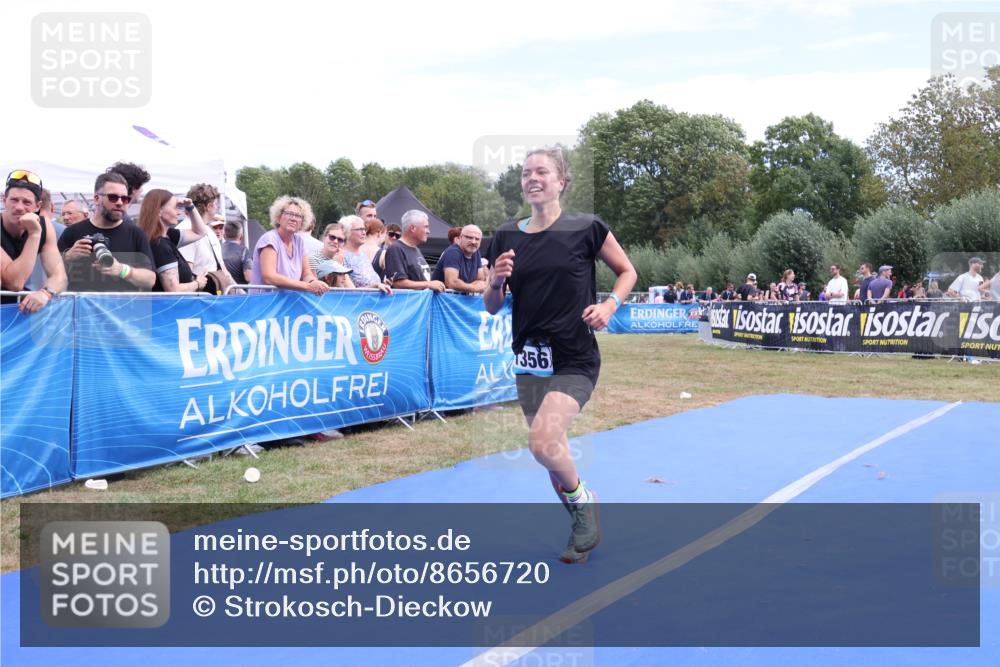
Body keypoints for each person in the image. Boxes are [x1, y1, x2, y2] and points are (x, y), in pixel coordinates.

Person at [484, 146, 636, 564]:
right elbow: (491, 305)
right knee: (553, 455)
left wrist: (609, 306)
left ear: (561, 182)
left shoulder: (586, 228)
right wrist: (496, 282)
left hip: (575, 356)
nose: (533, 178)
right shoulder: (505, 236)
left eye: (542, 172)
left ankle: (585, 502)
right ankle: (580, 525)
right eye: (526, 172)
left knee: (543, 440)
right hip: (530, 360)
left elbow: (628, 271)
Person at [58, 172, 156, 292]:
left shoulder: (136, 234)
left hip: (121, 308)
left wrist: (121, 270)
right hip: (83, 308)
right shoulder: (73, 231)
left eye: (125, 199)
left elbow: (150, 279)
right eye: (113, 197)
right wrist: (67, 257)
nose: (120, 202)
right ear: (97, 199)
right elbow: (51, 272)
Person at [1, 170, 67, 313]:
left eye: (27, 202)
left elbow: (60, 276)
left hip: (20, 313)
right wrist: (35, 234)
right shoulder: (38, 230)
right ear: (3, 200)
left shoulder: (45, 225)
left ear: (37, 206)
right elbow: (15, 283)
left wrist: (45, 293)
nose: (19, 207)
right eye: (14, 200)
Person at [136, 189, 213, 292]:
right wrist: (197, 283)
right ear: (159, 211)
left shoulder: (168, 235)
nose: (178, 212)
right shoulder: (160, 245)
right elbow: (173, 289)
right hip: (169, 306)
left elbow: (200, 232)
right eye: (175, 207)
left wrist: (190, 206)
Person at [250, 196, 328, 295]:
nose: (293, 219)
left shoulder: (299, 242)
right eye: (289, 214)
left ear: (302, 222)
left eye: (298, 216)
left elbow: (306, 274)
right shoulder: (269, 239)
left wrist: (314, 283)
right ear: (278, 218)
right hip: (264, 303)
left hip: (287, 303)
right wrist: (308, 287)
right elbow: (269, 277)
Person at [384, 210, 445, 292]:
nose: (428, 231)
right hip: (408, 303)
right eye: (426, 227)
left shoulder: (416, 249)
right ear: (412, 228)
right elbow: (398, 283)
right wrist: (429, 284)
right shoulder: (396, 249)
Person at [179, 183, 225, 274]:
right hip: (200, 287)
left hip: (214, 287)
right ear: (209, 207)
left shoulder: (209, 231)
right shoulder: (185, 230)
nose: (217, 208)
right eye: (216, 205)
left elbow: (223, 270)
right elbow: (186, 274)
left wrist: (238, 288)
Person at [431, 224, 487, 293]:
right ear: (460, 238)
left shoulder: (476, 252)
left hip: (461, 300)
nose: (473, 242)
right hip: (444, 300)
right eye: (469, 237)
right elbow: (452, 282)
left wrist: (472, 287)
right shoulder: (453, 252)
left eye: (477, 239)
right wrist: (474, 288)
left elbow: (480, 279)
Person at [341, 215, 390, 290]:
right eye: (359, 229)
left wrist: (383, 284)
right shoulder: (341, 256)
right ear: (347, 232)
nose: (364, 232)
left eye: (364, 229)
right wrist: (375, 286)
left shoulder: (362, 254)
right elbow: (351, 293)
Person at [308, 223, 352, 287]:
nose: (335, 241)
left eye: (340, 240)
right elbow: (315, 288)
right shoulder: (313, 259)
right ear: (324, 237)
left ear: (344, 244)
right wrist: (335, 264)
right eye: (332, 237)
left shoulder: (341, 259)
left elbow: (350, 288)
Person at [221, 220, 253, 285]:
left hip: (220, 291)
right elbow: (249, 277)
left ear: (224, 236)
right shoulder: (243, 251)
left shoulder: (218, 249)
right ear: (241, 236)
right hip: (240, 293)